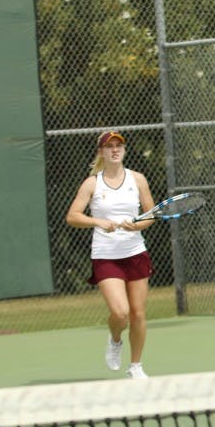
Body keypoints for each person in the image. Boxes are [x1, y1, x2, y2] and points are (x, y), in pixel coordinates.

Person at [66, 131, 156, 379]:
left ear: (124, 150)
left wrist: (137, 225)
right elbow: (73, 216)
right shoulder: (92, 183)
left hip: (135, 252)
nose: (115, 150)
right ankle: (115, 339)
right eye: (109, 147)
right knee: (120, 312)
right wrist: (98, 221)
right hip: (106, 255)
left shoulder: (138, 180)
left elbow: (151, 213)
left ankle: (136, 366)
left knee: (137, 313)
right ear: (102, 152)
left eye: (119, 146)